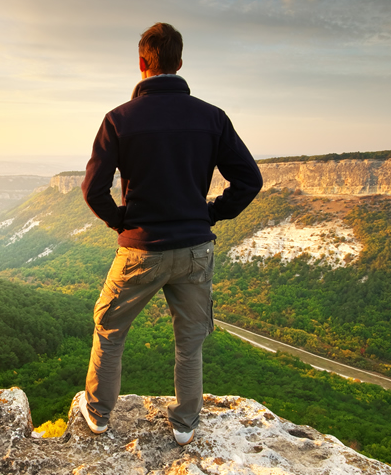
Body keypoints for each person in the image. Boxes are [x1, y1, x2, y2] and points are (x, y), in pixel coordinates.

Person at [79, 22, 263, 445]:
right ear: (180, 63)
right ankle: (184, 423)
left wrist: (120, 220)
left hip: (141, 248)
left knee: (109, 329)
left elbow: (92, 188)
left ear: (142, 63)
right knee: (190, 339)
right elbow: (249, 180)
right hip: (195, 249)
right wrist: (211, 214)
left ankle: (100, 414)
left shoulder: (119, 119)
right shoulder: (212, 117)